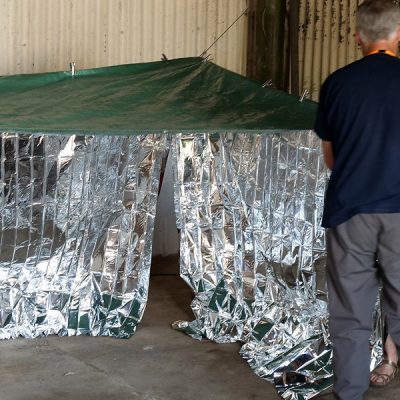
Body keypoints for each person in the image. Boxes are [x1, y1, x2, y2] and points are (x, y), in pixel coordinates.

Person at [314, 0, 400, 399]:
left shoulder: (337, 83)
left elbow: (331, 158)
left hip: (351, 210)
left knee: (350, 309)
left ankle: (349, 392)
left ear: (358, 36)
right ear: (398, 35)